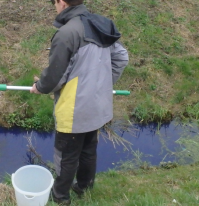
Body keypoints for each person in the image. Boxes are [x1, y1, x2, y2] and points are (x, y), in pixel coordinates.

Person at [30, 0, 129, 205]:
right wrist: (101, 84)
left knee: (66, 154)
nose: (54, 6)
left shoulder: (67, 33)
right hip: (97, 106)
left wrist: (40, 86)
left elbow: (57, 77)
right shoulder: (100, 24)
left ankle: (61, 197)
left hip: (75, 109)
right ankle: (84, 187)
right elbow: (121, 57)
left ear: (62, 3)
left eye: (54, 2)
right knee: (87, 149)